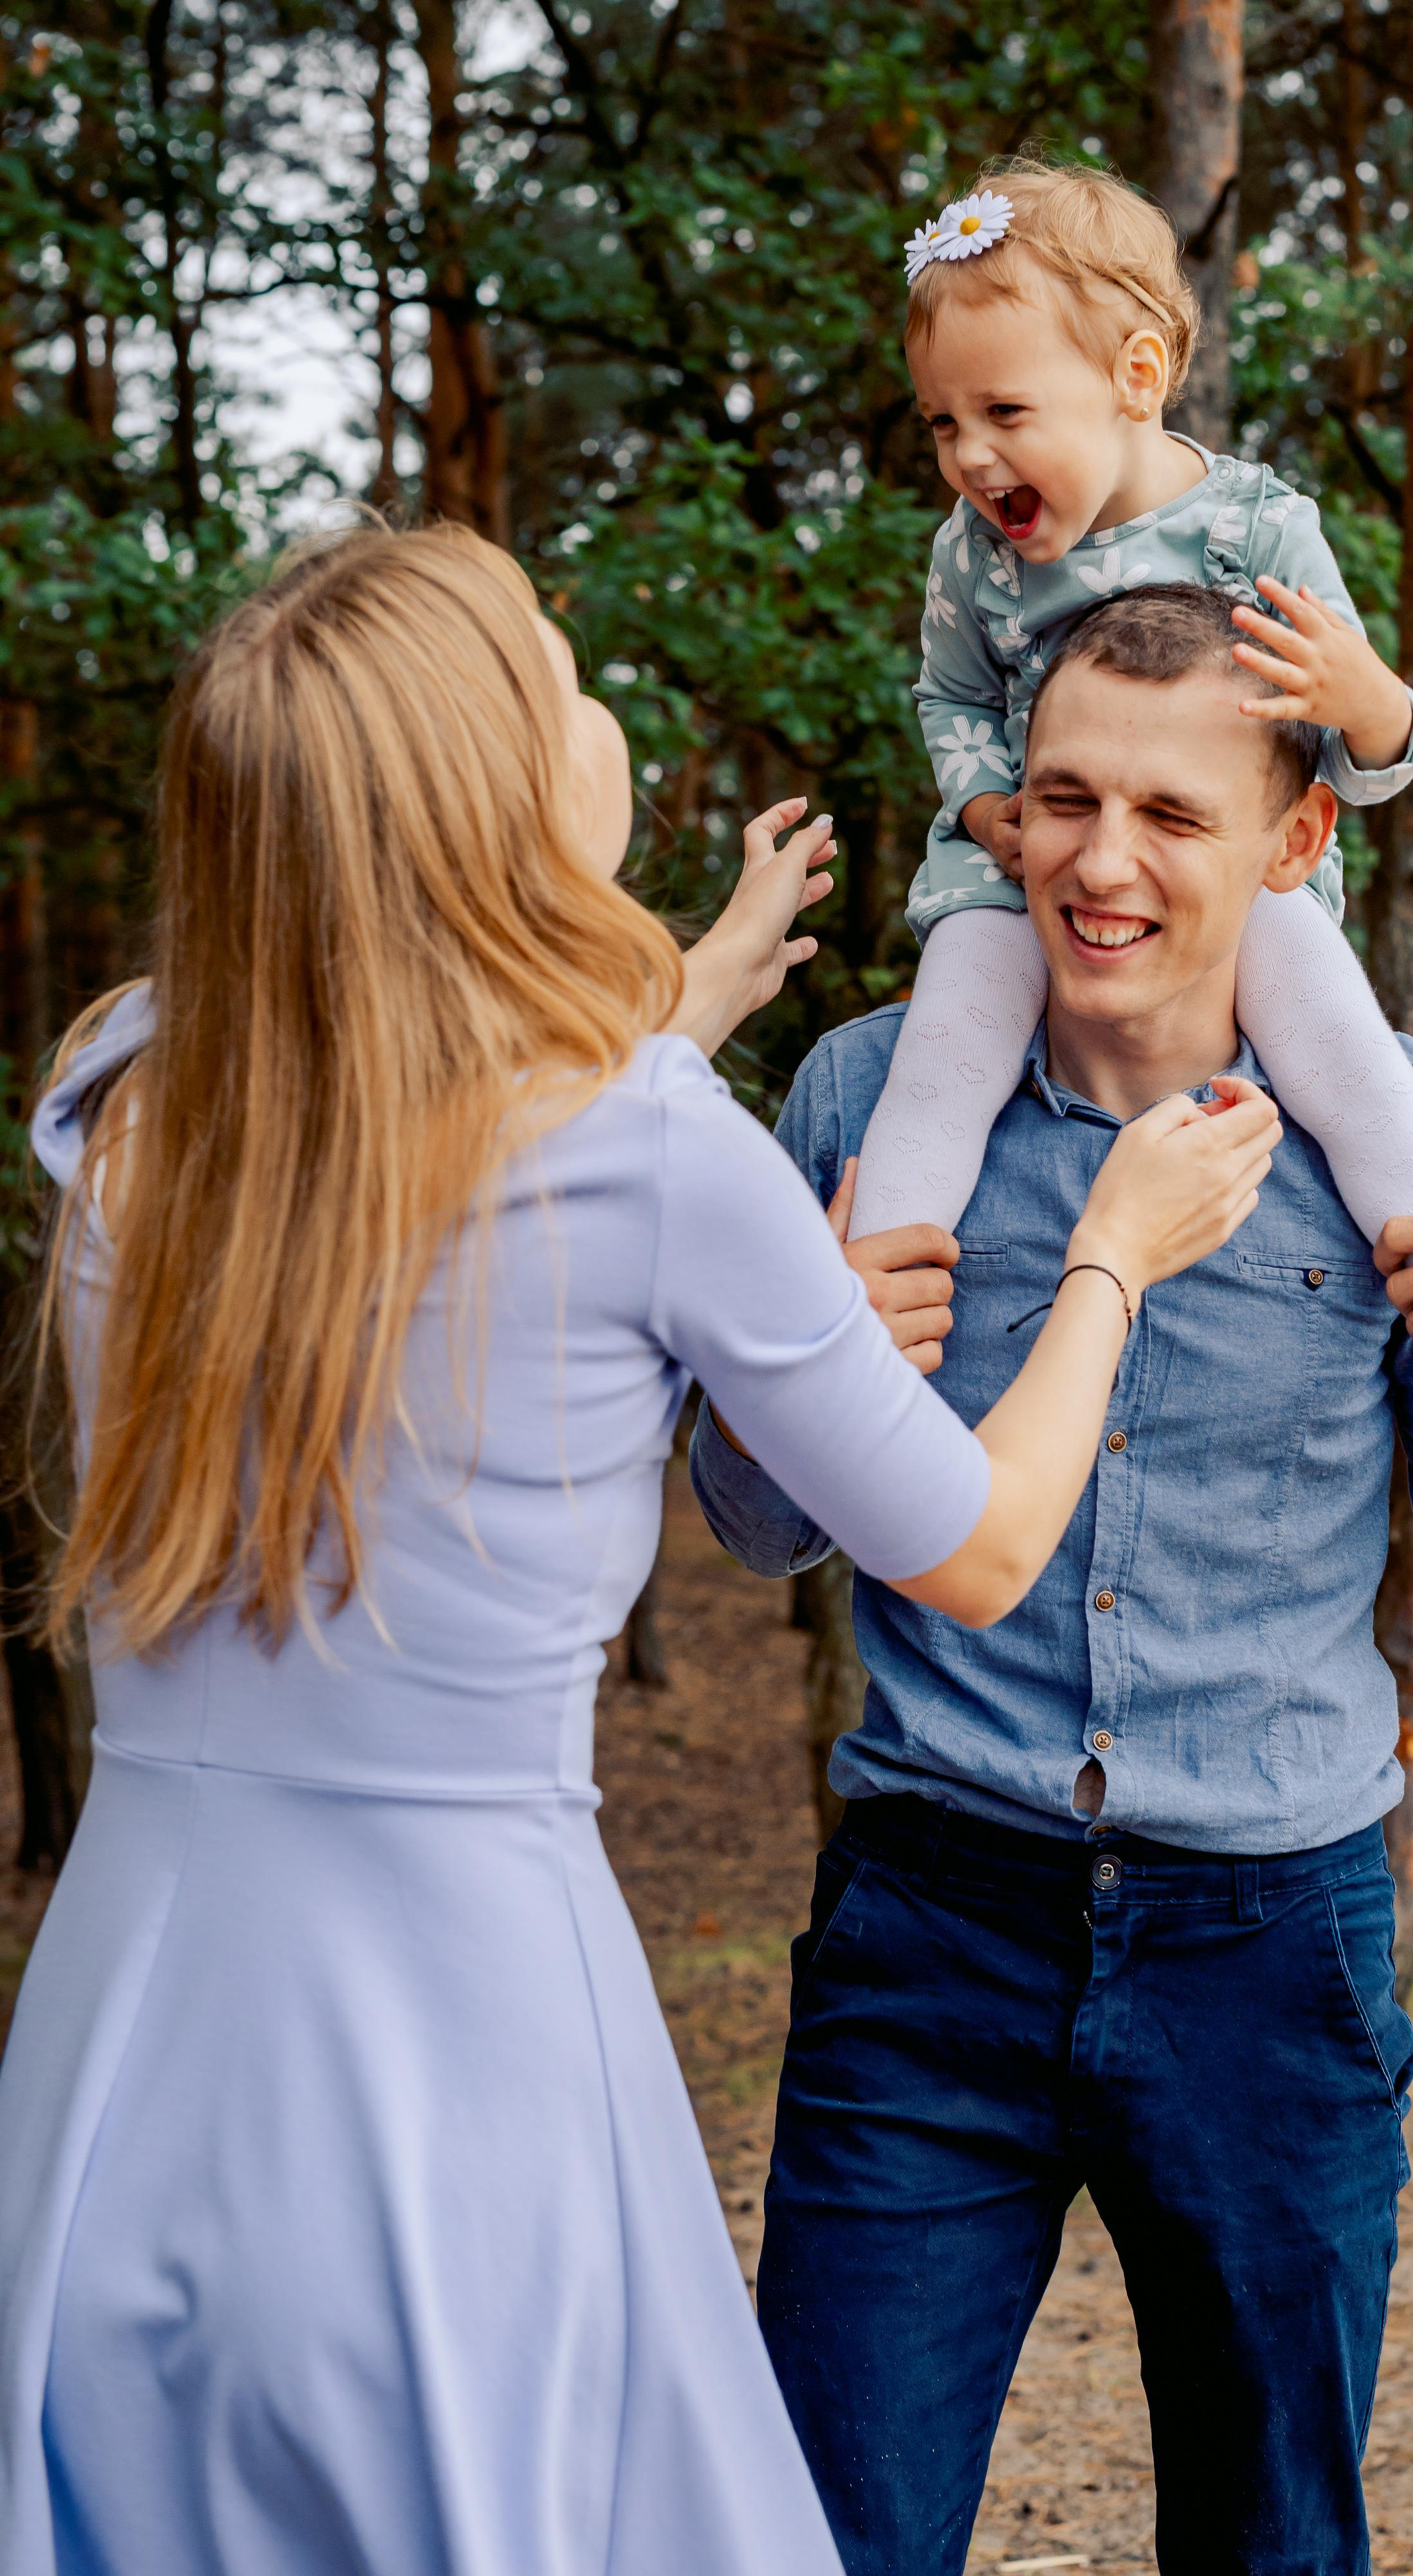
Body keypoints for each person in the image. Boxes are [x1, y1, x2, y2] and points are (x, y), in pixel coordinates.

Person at [0, 525, 1284, 2576]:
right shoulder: (655, 1146)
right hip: (451, 2032)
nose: (594, 701)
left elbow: (404, 1115)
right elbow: (975, 1548)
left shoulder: (130, 1098)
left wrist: (684, 989)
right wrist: (1115, 1257)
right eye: (557, 666)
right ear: (493, 788)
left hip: (125, 2030)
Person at [690, 582, 1413, 2576]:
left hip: (1271, 1952)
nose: (1099, 864)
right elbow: (759, 1529)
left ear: (1296, 842)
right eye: (1063, 800)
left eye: (1171, 815)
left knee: (1273, 2542)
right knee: (825, 2535)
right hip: (930, 1925)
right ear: (1010, 810)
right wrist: (794, 1388)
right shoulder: (869, 1105)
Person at [849, 152, 1413, 1523]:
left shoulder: (1256, 529)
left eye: (1004, 413)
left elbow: (1375, 757)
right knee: (935, 1072)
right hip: (1016, 862)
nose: (969, 457)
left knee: (1367, 1094)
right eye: (941, 423)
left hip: (1237, 894)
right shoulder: (968, 555)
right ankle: (853, 1361)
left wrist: (1362, 699)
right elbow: (950, 700)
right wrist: (982, 807)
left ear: (1137, 378)